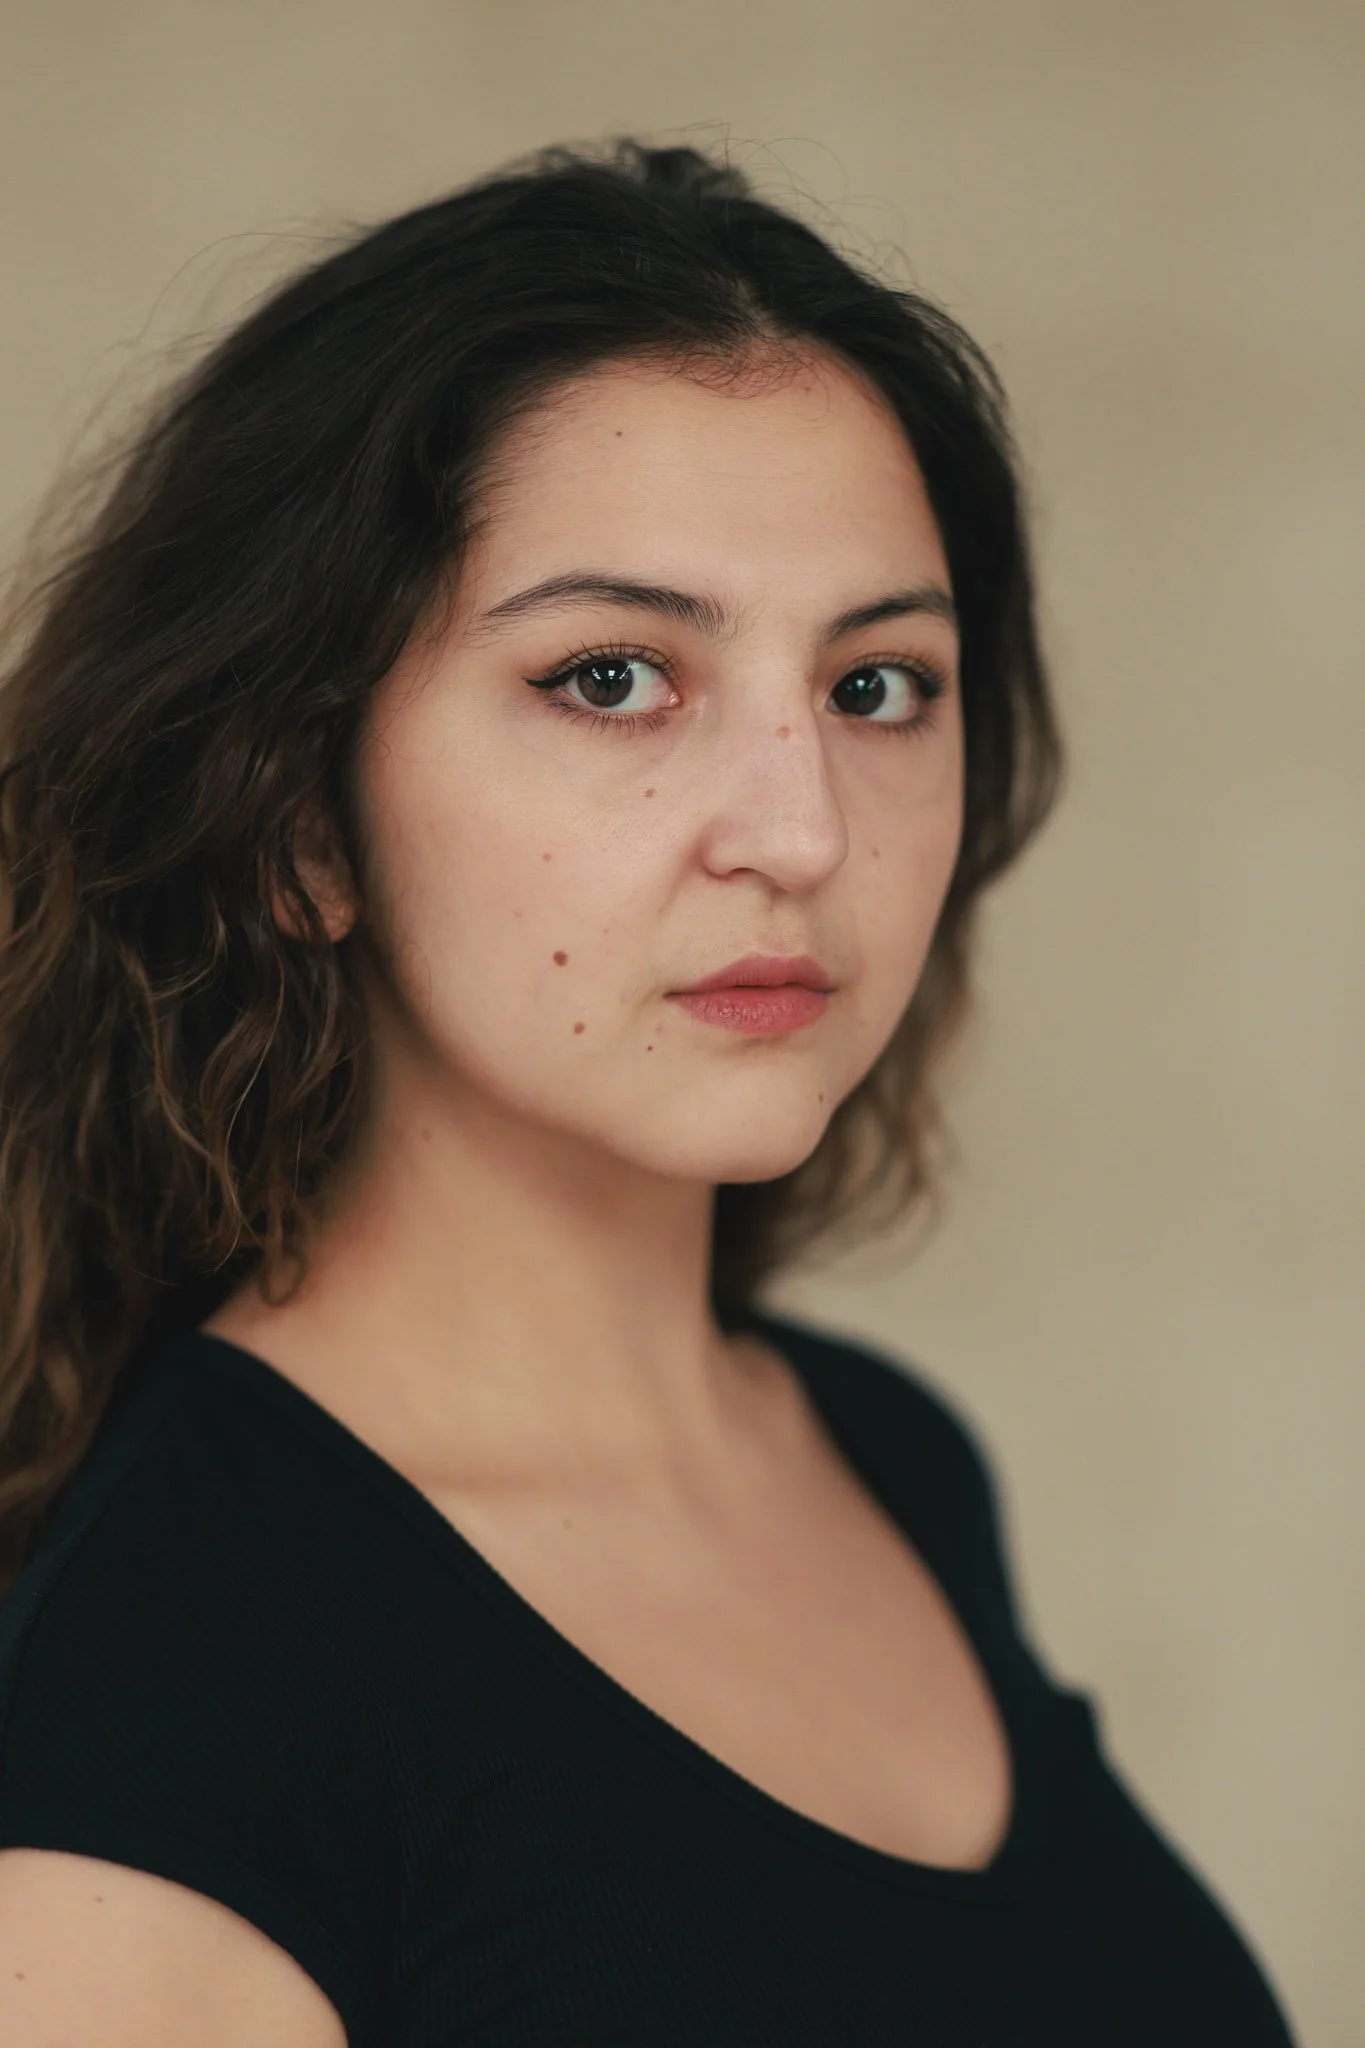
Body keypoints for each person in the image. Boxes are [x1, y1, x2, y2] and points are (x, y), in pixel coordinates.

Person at [0, 139, 1293, 2045]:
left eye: (878, 687)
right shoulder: (177, 1687)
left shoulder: (886, 1459)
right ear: (296, 820)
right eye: (615, 677)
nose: (799, 828)